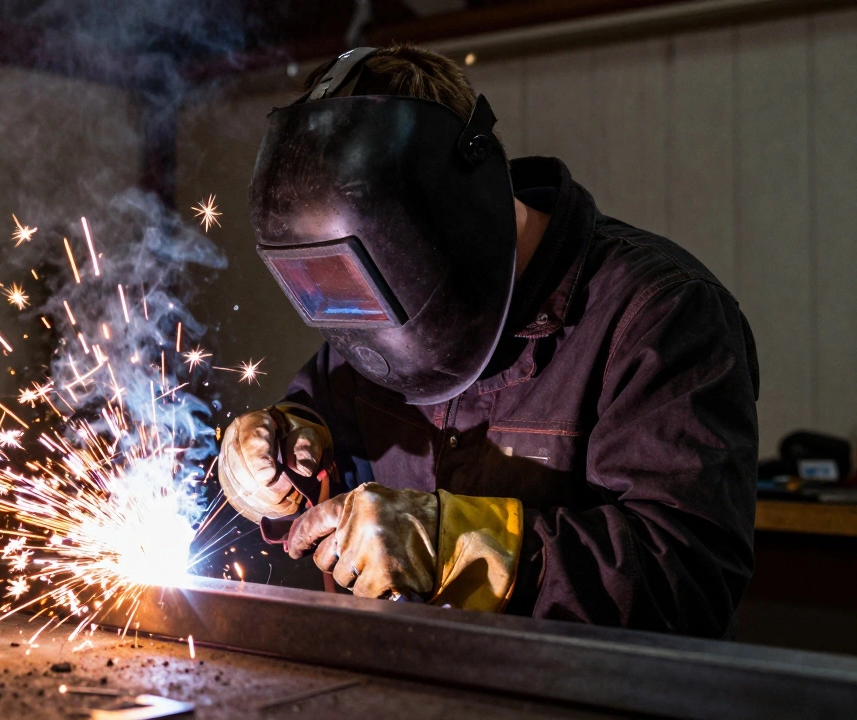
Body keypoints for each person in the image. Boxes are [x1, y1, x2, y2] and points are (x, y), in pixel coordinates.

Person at [217, 46, 759, 637]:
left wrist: (472, 548)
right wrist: (281, 454)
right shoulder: (369, 298)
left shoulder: (659, 314)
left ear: (446, 211)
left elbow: (687, 581)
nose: (363, 321)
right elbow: (325, 410)